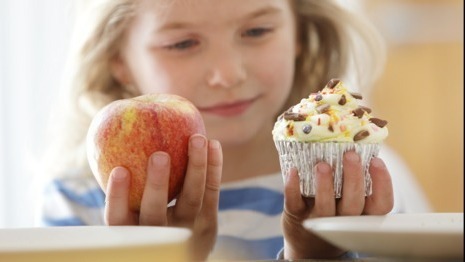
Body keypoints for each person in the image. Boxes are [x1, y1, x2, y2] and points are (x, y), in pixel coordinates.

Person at [38, 0, 431, 260]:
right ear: (118, 61)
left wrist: (315, 256)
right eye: (182, 43)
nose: (227, 74)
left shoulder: (361, 185)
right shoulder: (78, 205)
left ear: (300, 33)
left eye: (256, 32)